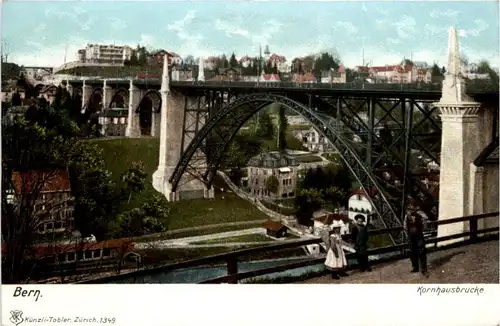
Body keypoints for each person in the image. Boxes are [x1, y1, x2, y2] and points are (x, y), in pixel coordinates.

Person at [404, 205, 428, 275]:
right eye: (409, 210)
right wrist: (408, 234)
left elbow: (424, 225)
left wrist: (420, 231)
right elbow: (405, 226)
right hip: (411, 236)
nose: (410, 211)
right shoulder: (406, 217)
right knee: (412, 252)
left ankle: (424, 268)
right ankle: (415, 267)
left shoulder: (420, 216)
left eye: (411, 210)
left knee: (422, 251)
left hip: (419, 236)